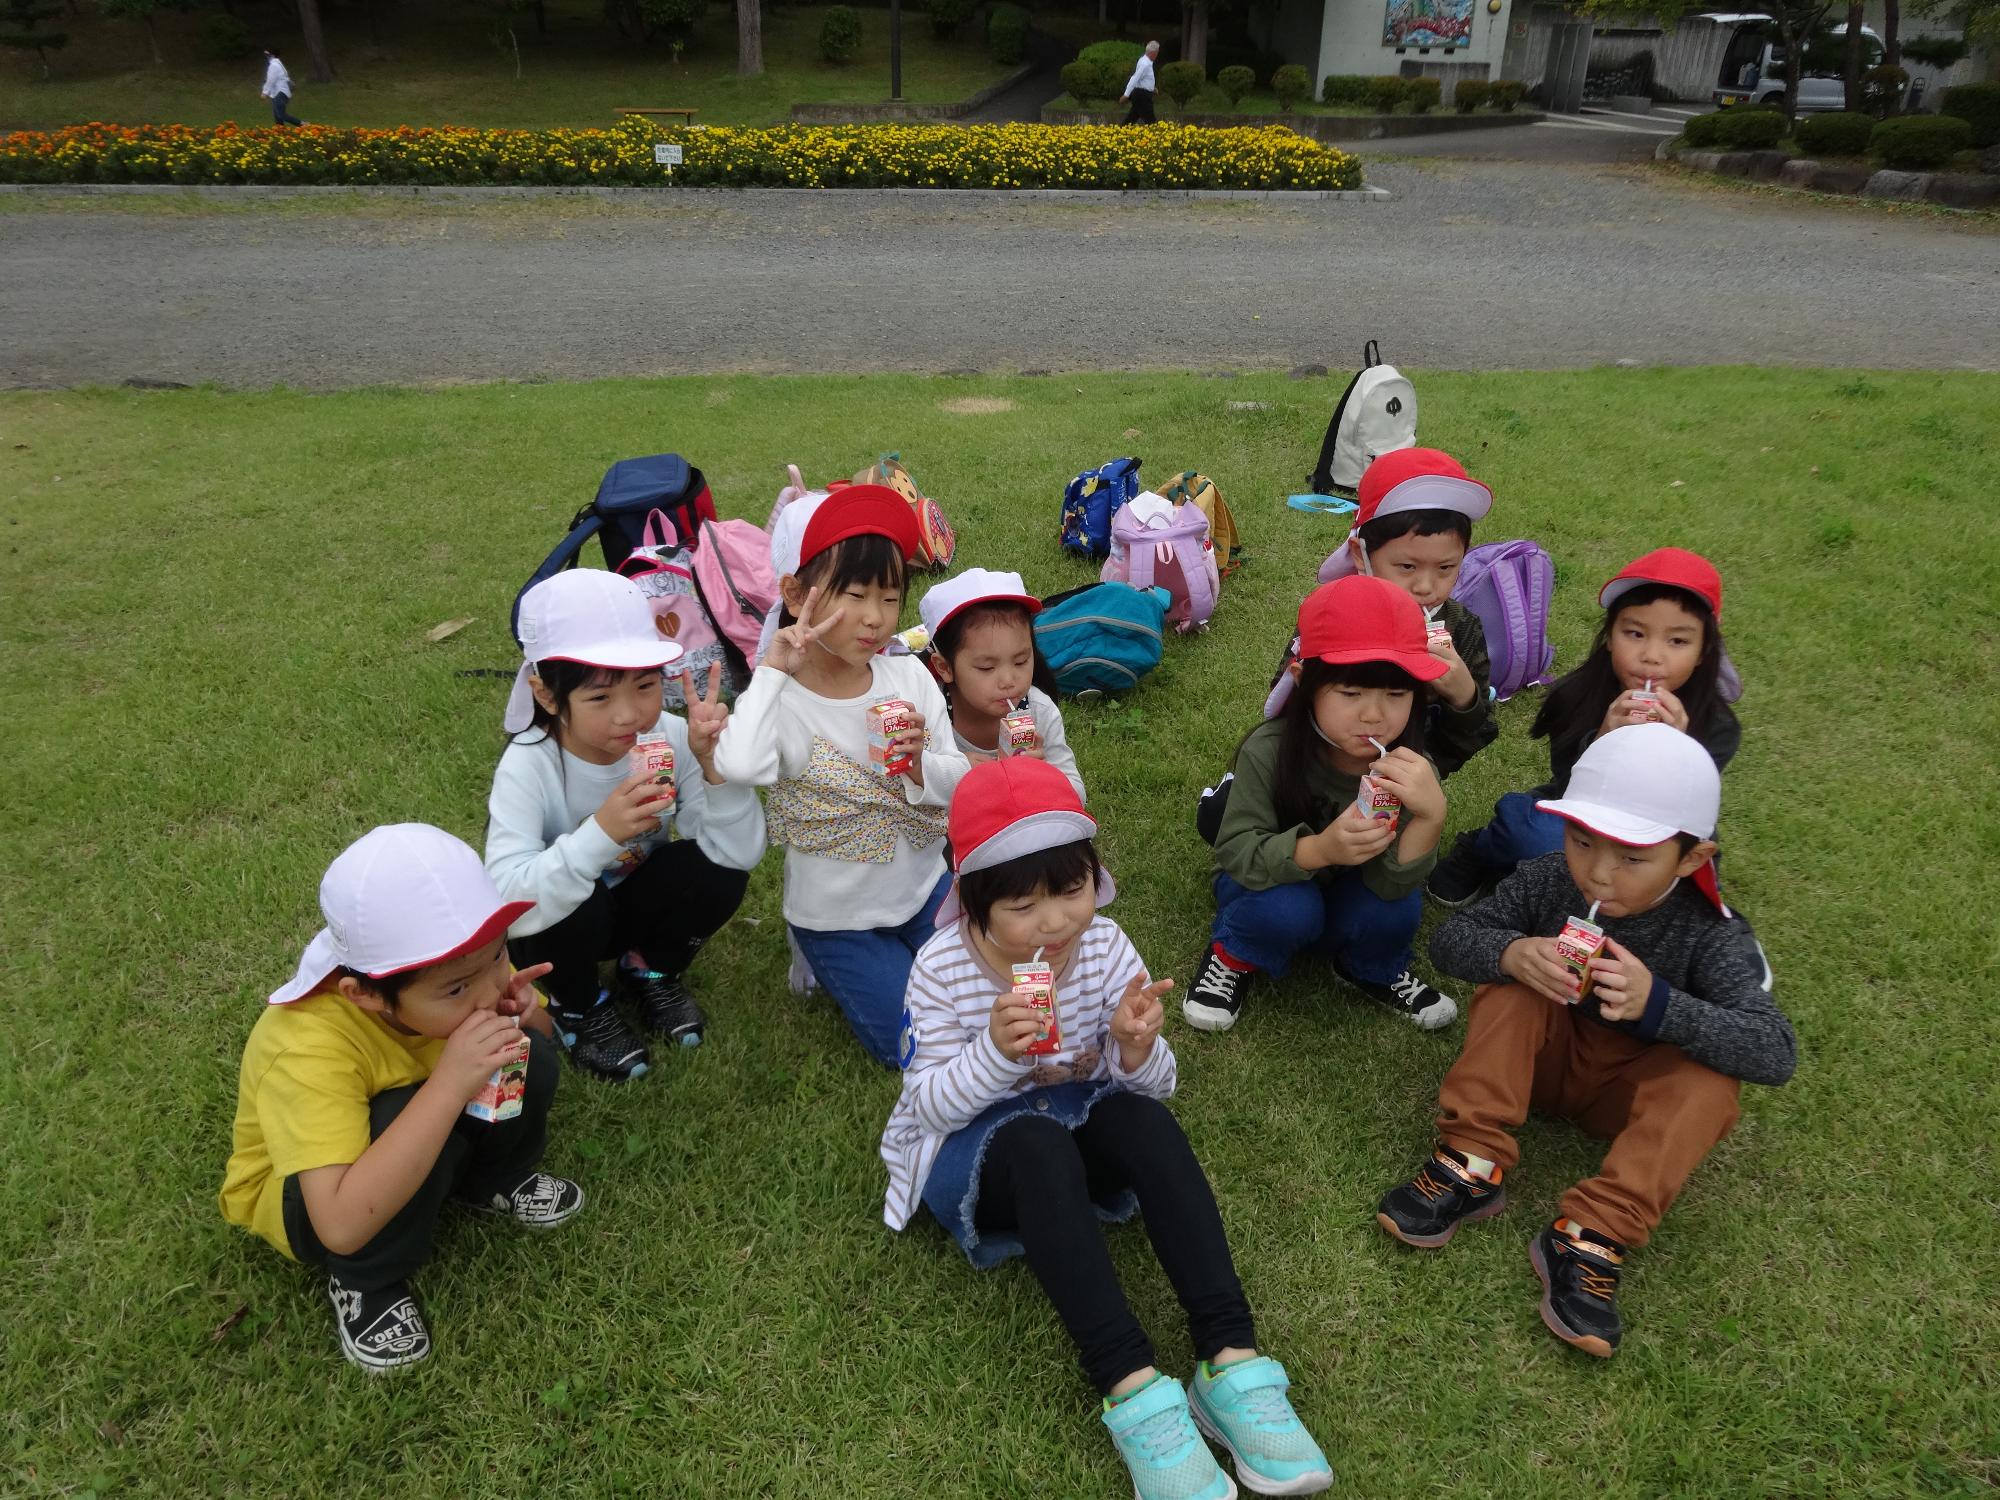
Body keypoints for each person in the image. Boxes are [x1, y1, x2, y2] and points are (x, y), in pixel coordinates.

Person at [882, 758, 1333, 1499]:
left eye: (1070, 890)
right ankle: (1133, 1389)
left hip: (1075, 1124)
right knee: (1036, 1145)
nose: (1054, 923)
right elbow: (927, 1107)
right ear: (973, 904)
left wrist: (1134, 1048)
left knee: (1143, 1121)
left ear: (1096, 877)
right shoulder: (939, 968)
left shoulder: (1104, 946)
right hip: (980, 1152)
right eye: (1022, 905)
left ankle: (1231, 1362)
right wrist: (996, 1054)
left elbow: (1158, 1090)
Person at [1377, 723, 1795, 1357]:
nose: (1599, 873)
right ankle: (1471, 1160)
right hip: (1539, 1064)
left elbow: (1772, 1050)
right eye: (1581, 840)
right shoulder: (1550, 877)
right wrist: (1514, 952)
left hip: (1627, 1101)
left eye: (1632, 858)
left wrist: (1661, 1006)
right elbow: (1452, 941)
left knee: (1711, 1080)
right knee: (1512, 986)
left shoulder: (1712, 933)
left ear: (1692, 858)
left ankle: (1593, 1232)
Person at [218, 824, 584, 1372]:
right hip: (320, 1197)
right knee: (398, 1120)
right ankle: (365, 1279)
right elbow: (338, 1221)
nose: (489, 988)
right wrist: (449, 1084)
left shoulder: (466, 964)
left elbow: (545, 1037)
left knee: (525, 1051)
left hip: (425, 1121)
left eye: (496, 957)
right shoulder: (304, 1045)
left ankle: (493, 1179)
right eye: (458, 989)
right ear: (364, 994)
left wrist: (530, 1014)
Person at [712, 485, 971, 1067]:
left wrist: (920, 765)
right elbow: (738, 764)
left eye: (890, 596)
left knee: (980, 1001)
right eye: (854, 594)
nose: (875, 618)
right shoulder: (787, 702)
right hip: (837, 918)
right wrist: (772, 674)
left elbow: (959, 779)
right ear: (796, 594)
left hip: (926, 885)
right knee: (915, 1044)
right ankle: (818, 957)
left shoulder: (908, 680)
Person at [485, 568, 765, 1083]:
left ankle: (650, 967)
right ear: (547, 697)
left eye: (645, 685)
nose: (630, 715)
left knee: (713, 870)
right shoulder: (531, 764)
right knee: (580, 897)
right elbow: (506, 901)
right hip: (555, 929)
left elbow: (738, 853)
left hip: (630, 906)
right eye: (599, 698)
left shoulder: (672, 736)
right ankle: (579, 1002)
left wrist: (714, 769)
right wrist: (600, 834)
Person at [1188, 574, 1459, 1034]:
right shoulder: (1269, 751)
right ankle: (1234, 954)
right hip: (1272, 888)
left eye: (1397, 694)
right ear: (1304, 682)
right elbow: (1235, 852)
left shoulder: (1409, 769)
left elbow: (1395, 885)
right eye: (1351, 694)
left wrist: (1432, 816)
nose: (1375, 714)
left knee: (1398, 909)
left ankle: (1370, 966)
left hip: (1352, 898)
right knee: (1286, 910)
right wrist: (1321, 851)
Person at [1428, 547, 1741, 907]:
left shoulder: (1717, 726)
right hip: (1580, 811)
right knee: (1537, 841)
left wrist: (1677, 750)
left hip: (1660, 828)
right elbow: (1569, 783)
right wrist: (1605, 739)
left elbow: (1689, 808)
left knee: (1685, 887)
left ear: (1703, 650)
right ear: (1609, 636)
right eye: (1635, 633)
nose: (1652, 655)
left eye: (1678, 641)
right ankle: (1483, 847)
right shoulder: (1578, 696)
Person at [918, 566, 1086, 803]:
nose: (1009, 681)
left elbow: (1077, 793)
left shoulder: (1039, 711)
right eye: (987, 668)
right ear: (945, 668)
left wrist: (1041, 775)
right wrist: (954, 771)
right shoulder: (929, 712)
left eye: (1021, 661)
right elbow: (911, 784)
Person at [1121, 41, 1161, 125]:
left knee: (1131, 119)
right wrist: (1126, 95)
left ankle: (1118, 133)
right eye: (1157, 52)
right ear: (1153, 53)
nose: (1157, 55)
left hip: (1141, 94)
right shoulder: (1145, 64)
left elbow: (1144, 79)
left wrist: (1152, 87)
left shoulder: (1144, 61)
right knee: (1151, 122)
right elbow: (1135, 78)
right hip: (1142, 96)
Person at [261, 49, 303, 126]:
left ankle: (303, 124)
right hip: (278, 93)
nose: (267, 57)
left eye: (268, 55)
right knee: (278, 117)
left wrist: (265, 92)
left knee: (281, 115)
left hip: (280, 92)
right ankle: (280, 133)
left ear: (273, 55)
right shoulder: (278, 64)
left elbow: (270, 80)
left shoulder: (274, 65)